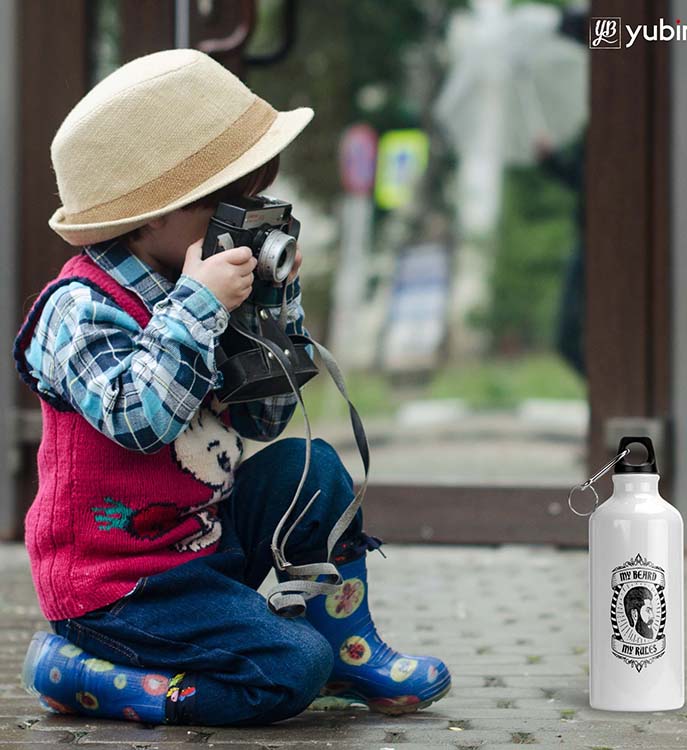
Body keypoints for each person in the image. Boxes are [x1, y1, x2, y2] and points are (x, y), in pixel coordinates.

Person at [13, 49, 450, 727]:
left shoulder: (205, 288)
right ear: (151, 212)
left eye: (251, 200)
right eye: (228, 203)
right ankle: (88, 675)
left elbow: (267, 420)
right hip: (119, 588)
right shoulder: (79, 309)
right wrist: (197, 306)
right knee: (287, 666)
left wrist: (273, 306)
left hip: (201, 546)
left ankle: (347, 645)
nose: (240, 221)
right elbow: (140, 421)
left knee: (315, 468)